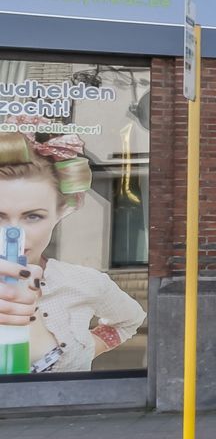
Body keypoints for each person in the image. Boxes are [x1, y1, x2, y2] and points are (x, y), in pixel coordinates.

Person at [0, 133, 145, 373]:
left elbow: (130, 319)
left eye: (33, 216)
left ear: (61, 212)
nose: (15, 234)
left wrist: (90, 348)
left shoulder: (83, 282)